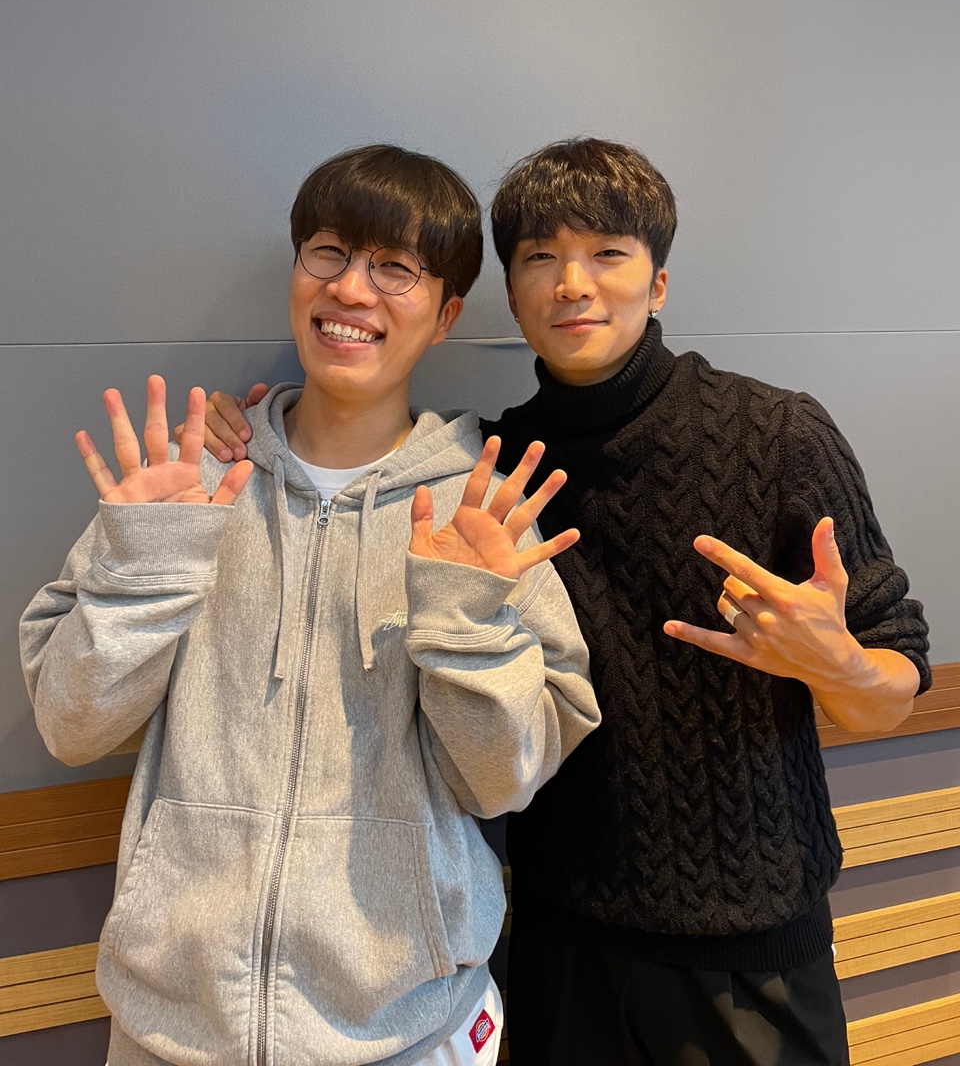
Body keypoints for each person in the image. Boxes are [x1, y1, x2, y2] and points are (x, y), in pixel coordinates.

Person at [191, 138, 930, 1066]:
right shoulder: (489, 471)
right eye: (541, 258)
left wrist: (842, 668)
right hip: (554, 940)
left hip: (752, 951)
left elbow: (892, 688)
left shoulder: (777, 434)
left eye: (608, 254)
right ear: (509, 295)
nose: (573, 284)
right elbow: (348, 446)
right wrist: (239, 430)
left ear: (658, 283)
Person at [19, 144, 600, 1066]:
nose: (351, 290)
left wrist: (462, 619)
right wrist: (150, 565)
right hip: (173, 1031)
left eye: (396, 268)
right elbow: (70, 724)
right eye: (328, 252)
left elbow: (506, 779)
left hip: (411, 1030)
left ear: (446, 314)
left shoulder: (480, 510)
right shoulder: (190, 481)